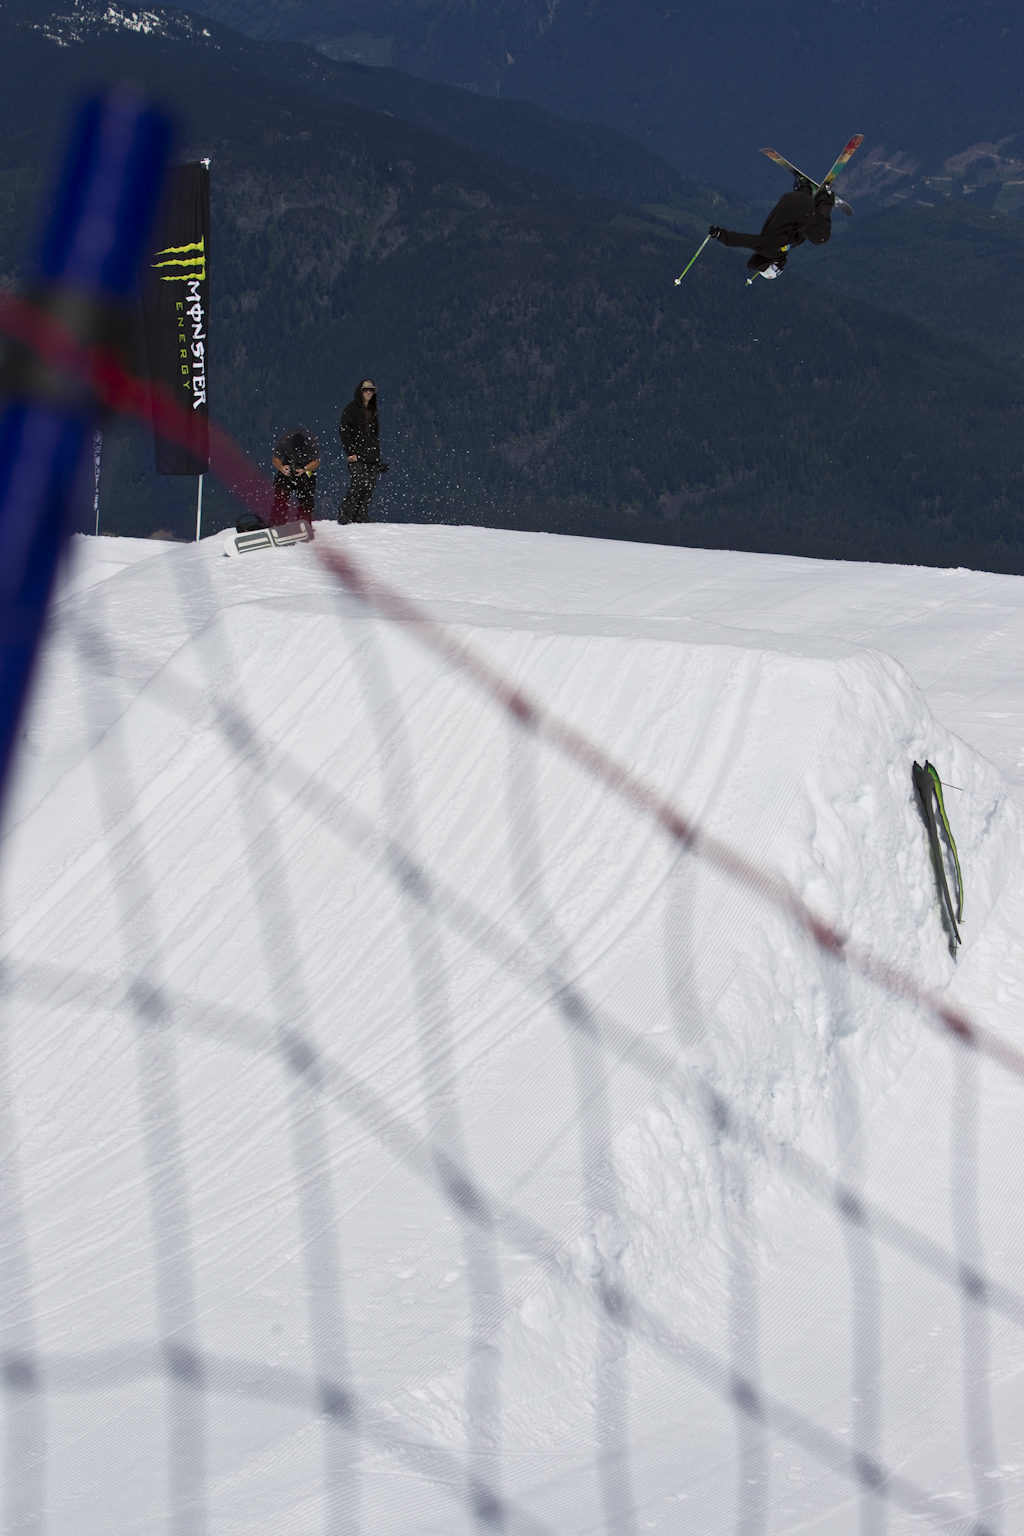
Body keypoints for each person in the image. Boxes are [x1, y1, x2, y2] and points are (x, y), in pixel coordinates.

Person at [709, 179, 837, 278]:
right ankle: (804, 187)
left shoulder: (768, 249)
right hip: (792, 199)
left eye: (777, 269)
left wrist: (720, 235)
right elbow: (798, 238)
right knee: (810, 229)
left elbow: (742, 240)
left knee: (821, 237)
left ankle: (825, 195)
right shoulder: (781, 248)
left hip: (801, 206)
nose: (781, 266)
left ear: (770, 264)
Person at [338, 379, 389, 524]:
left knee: (370, 486)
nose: (368, 392)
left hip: (371, 455)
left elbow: (374, 435)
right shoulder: (351, 409)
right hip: (356, 455)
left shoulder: (373, 410)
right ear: (360, 392)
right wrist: (350, 452)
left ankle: (360, 514)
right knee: (358, 483)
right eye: (366, 389)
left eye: (371, 390)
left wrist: (378, 457)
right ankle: (345, 514)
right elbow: (344, 431)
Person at [271, 426, 320, 524]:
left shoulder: (312, 442)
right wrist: (281, 468)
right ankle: (278, 521)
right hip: (287, 468)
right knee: (280, 495)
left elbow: (316, 461)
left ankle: (304, 522)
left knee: (306, 498)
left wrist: (304, 469)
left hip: (306, 469)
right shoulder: (284, 440)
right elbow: (275, 458)